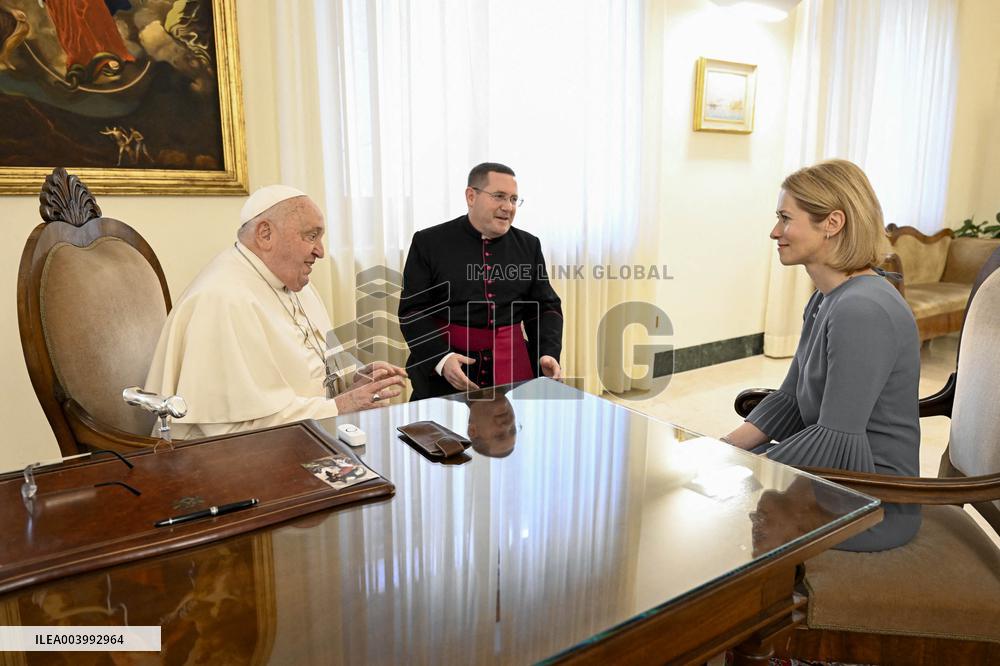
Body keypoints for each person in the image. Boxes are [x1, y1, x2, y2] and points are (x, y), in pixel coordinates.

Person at [722, 159, 921, 552]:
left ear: (832, 223)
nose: (775, 231)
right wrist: (726, 447)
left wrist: (751, 471)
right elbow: (790, 399)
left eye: (785, 218)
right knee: (718, 489)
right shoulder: (825, 299)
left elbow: (836, 440)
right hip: (834, 478)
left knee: (719, 513)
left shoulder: (861, 310)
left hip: (870, 498)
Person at [144, 185, 407, 439]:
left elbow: (312, 363)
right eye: (311, 236)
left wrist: (353, 378)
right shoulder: (223, 299)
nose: (321, 251)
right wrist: (341, 406)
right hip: (232, 459)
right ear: (265, 234)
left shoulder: (294, 282)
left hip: (305, 437)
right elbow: (239, 427)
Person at [399, 162, 563, 400]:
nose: (508, 207)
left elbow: (545, 307)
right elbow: (413, 311)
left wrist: (547, 353)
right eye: (499, 196)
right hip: (447, 371)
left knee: (514, 434)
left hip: (514, 367)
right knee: (441, 435)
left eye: (514, 199)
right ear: (471, 196)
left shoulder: (529, 245)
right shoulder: (429, 242)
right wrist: (441, 359)